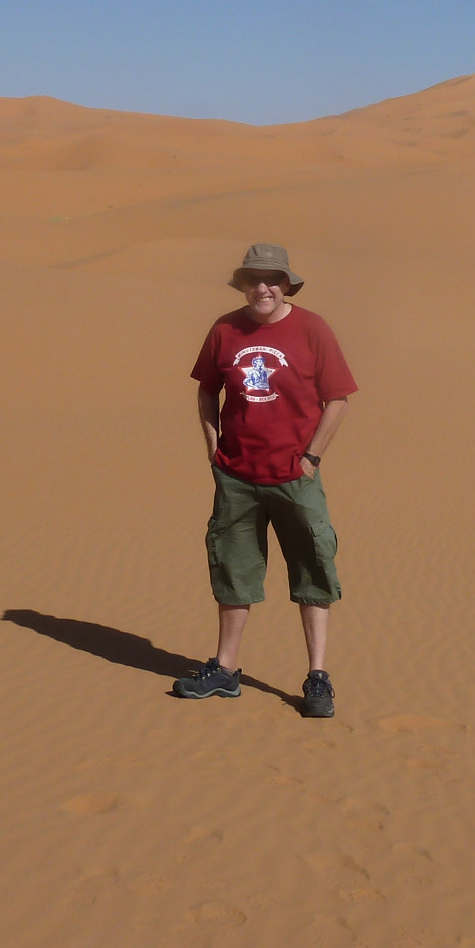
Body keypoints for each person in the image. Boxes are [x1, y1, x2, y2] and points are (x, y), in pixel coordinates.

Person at [174, 243, 356, 718]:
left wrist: (312, 457)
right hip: (236, 477)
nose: (263, 288)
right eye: (255, 279)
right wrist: (212, 442)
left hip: (295, 478)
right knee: (233, 571)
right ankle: (225, 669)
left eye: (273, 279)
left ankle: (317, 678)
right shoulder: (225, 330)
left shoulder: (312, 329)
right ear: (243, 284)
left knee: (314, 568)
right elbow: (207, 389)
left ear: (286, 284)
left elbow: (338, 397)